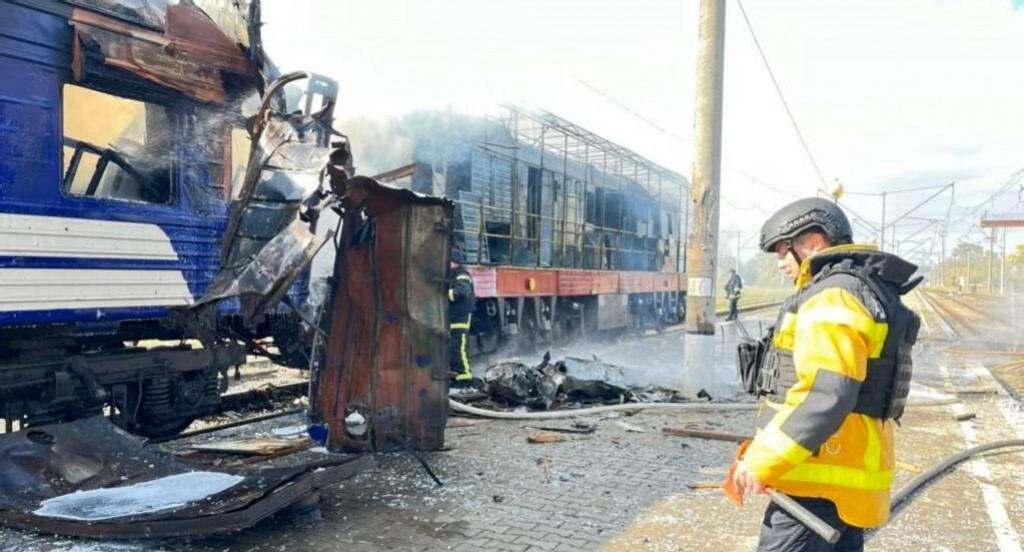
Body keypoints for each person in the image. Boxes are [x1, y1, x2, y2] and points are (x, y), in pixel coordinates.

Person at [728, 198, 920, 552]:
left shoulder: (832, 296)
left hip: (817, 482)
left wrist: (764, 460)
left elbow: (827, 394)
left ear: (813, 243)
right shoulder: (860, 289)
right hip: (839, 480)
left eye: (783, 251)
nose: (781, 263)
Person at [448, 249, 476, 384]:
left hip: (460, 318)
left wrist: (442, 295)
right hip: (454, 317)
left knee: (459, 348)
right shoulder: (454, 274)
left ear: (455, 262)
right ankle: (457, 375)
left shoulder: (462, 275)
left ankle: (465, 378)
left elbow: (461, 292)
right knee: (454, 348)